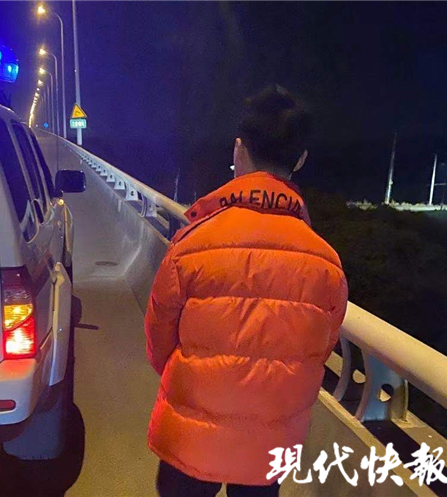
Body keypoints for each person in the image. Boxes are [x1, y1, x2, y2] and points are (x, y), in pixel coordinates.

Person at [145, 85, 349, 496]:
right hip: (268, 444)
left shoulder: (193, 242)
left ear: (239, 149)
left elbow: (158, 339)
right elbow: (317, 352)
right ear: (300, 160)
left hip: (191, 435)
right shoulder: (326, 263)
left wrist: (196, 379)